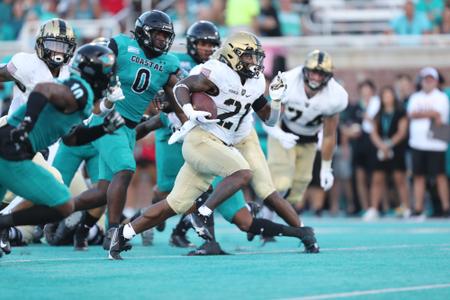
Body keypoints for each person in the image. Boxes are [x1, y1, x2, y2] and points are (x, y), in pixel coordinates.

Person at [108, 31, 319, 260]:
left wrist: (276, 100)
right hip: (202, 139)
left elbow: (269, 119)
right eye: (248, 56)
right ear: (232, 55)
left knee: (174, 204)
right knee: (242, 171)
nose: (254, 62)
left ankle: (122, 235)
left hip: (220, 143)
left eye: (256, 57)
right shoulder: (216, 71)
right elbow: (181, 88)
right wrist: (190, 113)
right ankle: (203, 211)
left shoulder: (256, 80)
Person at [69, 10, 184, 252]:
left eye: (166, 35)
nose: (163, 39)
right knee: (125, 168)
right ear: (143, 32)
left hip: (129, 129)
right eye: (158, 34)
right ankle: (113, 232)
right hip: (106, 121)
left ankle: (58, 211)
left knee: (103, 192)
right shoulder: (120, 45)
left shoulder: (169, 62)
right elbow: (92, 64)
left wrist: (186, 118)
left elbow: (178, 93)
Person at [0, 44, 125, 257]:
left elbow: (72, 138)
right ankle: (3, 223)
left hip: (12, 146)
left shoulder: (82, 98)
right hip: (13, 148)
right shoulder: (81, 89)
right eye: (107, 73)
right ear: (95, 73)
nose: (110, 79)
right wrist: (27, 124)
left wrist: (103, 128)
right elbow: (43, 90)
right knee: (64, 205)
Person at [263, 50, 348, 209]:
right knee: (281, 182)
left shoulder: (336, 96)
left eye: (321, 74)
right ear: (305, 71)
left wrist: (326, 167)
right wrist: (280, 134)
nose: (316, 78)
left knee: (298, 190)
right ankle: (266, 216)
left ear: (328, 76)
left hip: (309, 139)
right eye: (313, 72)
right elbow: (268, 119)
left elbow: (329, 135)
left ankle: (273, 213)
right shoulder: (286, 81)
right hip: (283, 130)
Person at [363, 86, 410, 221]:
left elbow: (402, 132)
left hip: (396, 149)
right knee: (377, 179)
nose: (386, 98)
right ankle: (373, 208)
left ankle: (406, 207)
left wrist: (389, 144)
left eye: (389, 95)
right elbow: (373, 132)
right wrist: (381, 145)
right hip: (380, 150)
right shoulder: (379, 113)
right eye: (384, 95)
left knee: (399, 179)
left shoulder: (401, 112)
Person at [408, 67, 449, 219]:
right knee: (418, 176)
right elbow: (412, 113)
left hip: (436, 143)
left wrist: (422, 114)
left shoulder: (441, 97)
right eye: (426, 79)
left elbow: (439, 114)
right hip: (417, 143)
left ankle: (445, 207)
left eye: (431, 79)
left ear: (436, 81)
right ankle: (418, 208)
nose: (428, 82)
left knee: (440, 176)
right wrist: (430, 114)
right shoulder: (415, 97)